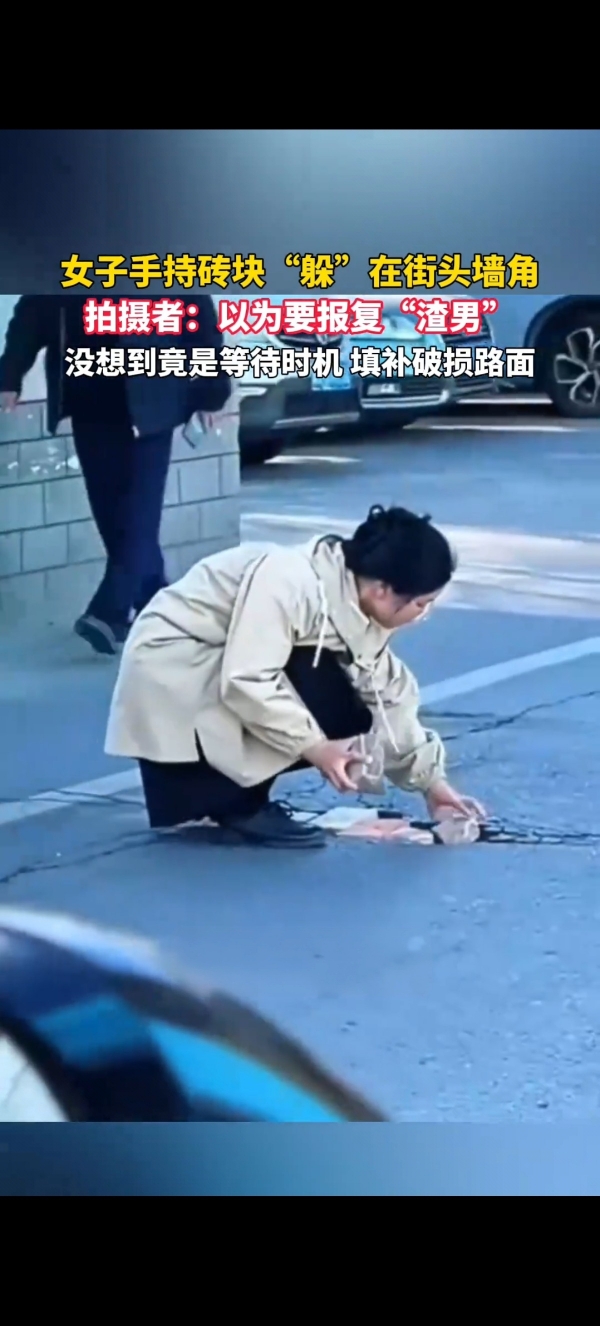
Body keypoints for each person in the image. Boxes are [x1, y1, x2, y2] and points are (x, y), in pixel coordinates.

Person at [105, 504, 485, 849]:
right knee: (329, 690)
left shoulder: (351, 599)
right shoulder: (289, 580)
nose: (423, 616)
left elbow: (390, 696)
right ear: (382, 590)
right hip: (173, 670)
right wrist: (315, 747)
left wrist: (433, 785)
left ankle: (232, 798)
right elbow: (247, 679)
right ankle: (237, 803)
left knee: (351, 698)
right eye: (421, 603)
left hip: (211, 671)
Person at [0, 293, 231, 655]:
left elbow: (198, 316)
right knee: (111, 513)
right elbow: (33, 311)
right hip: (89, 396)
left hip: (153, 397)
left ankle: (109, 611)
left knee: (139, 516)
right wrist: (10, 373)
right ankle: (163, 611)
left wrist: (212, 390)